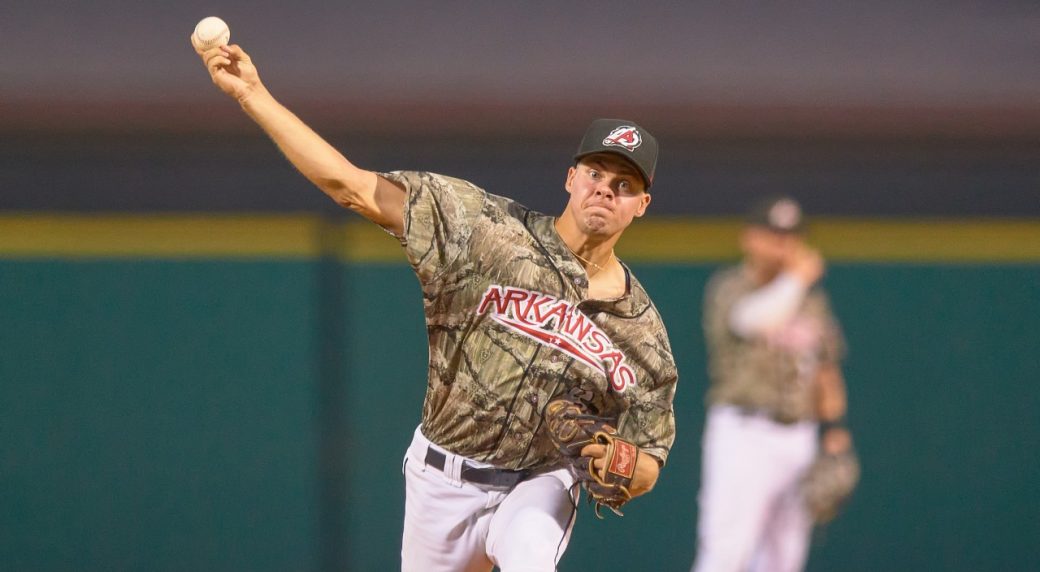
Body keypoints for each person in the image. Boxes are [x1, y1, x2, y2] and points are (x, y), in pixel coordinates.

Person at [194, 41, 677, 572]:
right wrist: (253, 94)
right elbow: (351, 187)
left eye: (624, 185)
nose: (605, 190)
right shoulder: (485, 232)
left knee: (531, 561)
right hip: (442, 479)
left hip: (540, 482)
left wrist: (622, 465)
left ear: (642, 205)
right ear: (570, 177)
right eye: (596, 173)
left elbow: (649, 456)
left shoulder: (642, 331)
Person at [691, 196, 852, 572]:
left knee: (785, 559)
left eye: (791, 236)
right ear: (750, 238)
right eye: (773, 234)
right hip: (744, 434)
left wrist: (834, 430)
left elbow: (826, 368)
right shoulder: (730, 287)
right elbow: (754, 320)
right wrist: (797, 278)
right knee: (725, 552)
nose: (784, 244)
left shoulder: (810, 301)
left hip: (800, 436)